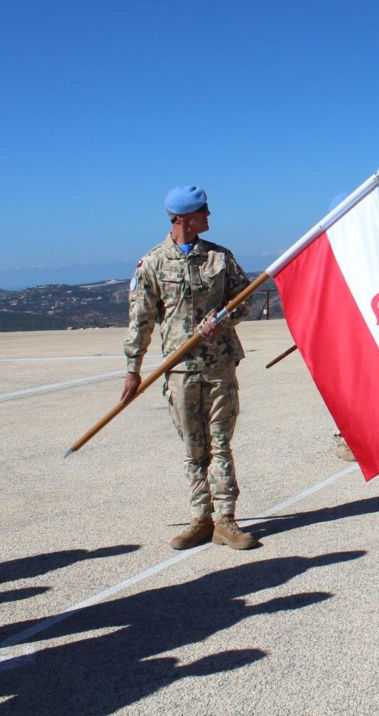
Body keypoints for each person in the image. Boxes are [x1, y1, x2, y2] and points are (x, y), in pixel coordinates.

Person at [122, 186, 257, 550]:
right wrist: (133, 367)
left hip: (219, 366)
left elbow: (245, 300)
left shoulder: (220, 258)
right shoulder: (153, 263)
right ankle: (201, 518)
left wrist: (223, 319)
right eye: (202, 213)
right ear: (182, 218)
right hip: (180, 369)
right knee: (193, 448)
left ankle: (226, 520)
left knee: (220, 444)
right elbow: (141, 319)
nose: (208, 218)